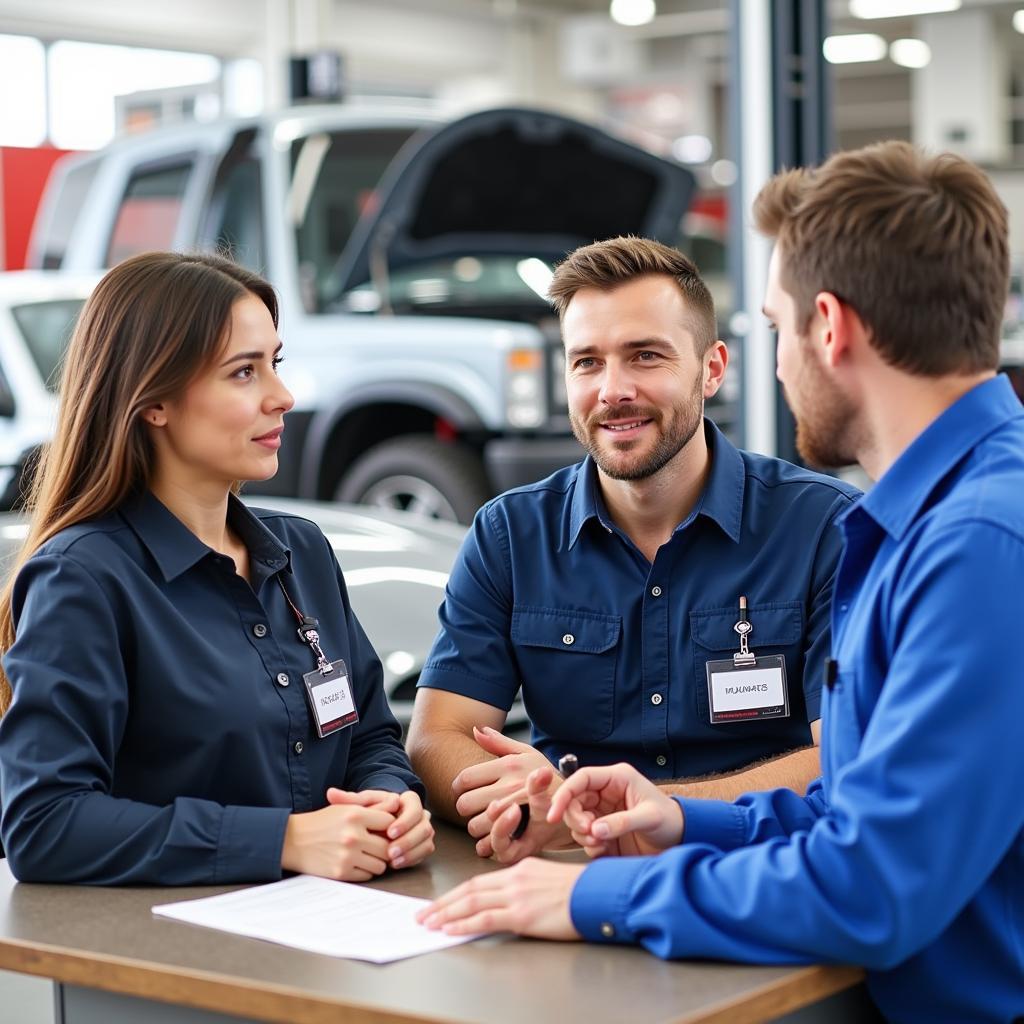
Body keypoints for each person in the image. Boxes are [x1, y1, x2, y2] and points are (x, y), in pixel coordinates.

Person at [418, 142, 1024, 1023]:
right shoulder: (933, 522)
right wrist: (679, 820)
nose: (779, 363)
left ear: (830, 326)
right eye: (587, 360)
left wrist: (590, 900)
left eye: (775, 327)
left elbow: (874, 888)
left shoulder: (977, 543)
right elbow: (855, 806)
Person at [407, 237, 859, 864]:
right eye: (586, 362)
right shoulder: (510, 535)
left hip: (756, 872)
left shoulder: (823, 528)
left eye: (645, 356)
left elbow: (844, 759)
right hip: (566, 878)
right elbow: (436, 736)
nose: (612, 389)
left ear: (712, 368)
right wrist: (523, 803)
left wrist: (625, 815)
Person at [0, 251, 434, 885]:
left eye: (275, 364)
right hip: (171, 956)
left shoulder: (301, 554)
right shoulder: (83, 579)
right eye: (243, 373)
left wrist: (389, 801)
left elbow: (369, 736)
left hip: (330, 933)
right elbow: (44, 824)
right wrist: (282, 840)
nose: (282, 397)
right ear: (154, 403)